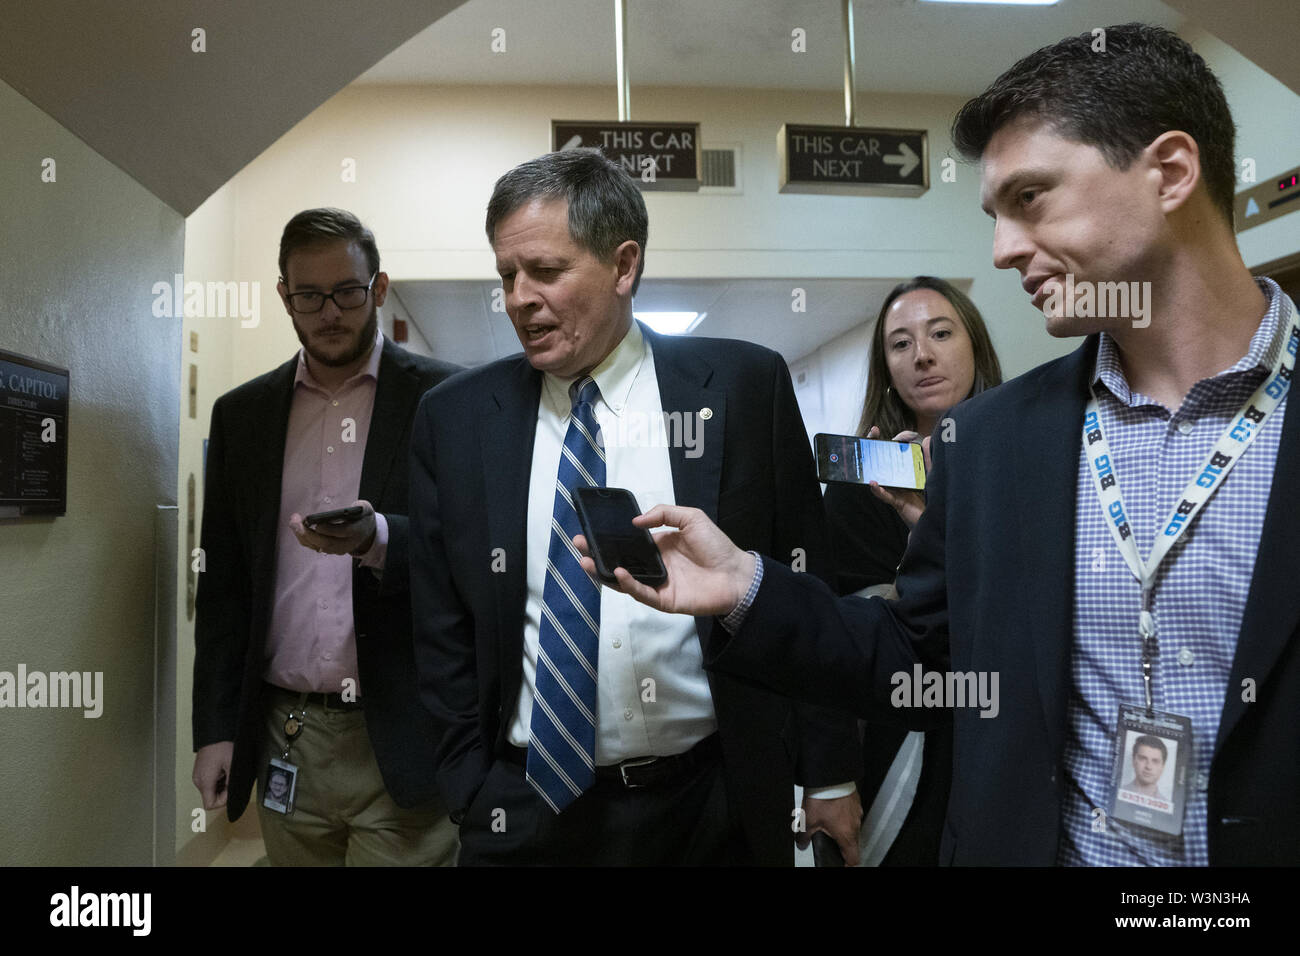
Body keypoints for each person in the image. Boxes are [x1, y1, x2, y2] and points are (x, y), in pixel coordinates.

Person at [579, 24, 1300, 866]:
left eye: (1031, 199)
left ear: (1171, 172)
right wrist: (746, 586)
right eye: (995, 215)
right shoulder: (993, 441)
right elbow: (916, 660)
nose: (1001, 251)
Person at [409, 148, 861, 866]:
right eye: (506, 275)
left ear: (623, 267)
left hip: (711, 802)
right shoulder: (456, 419)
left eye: (546, 272)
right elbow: (440, 625)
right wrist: (470, 789)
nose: (519, 298)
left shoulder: (743, 388)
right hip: (526, 809)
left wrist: (830, 772)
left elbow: (806, 594)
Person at [192, 208, 461, 865]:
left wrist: (381, 540)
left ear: (378, 287)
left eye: (346, 291)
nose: (329, 312)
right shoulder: (242, 416)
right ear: (284, 295)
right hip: (287, 732)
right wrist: (216, 731)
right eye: (308, 296)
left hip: (403, 733)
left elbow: (475, 556)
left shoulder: (447, 400)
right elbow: (224, 589)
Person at [823, 277, 1002, 865]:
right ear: (887, 368)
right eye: (900, 344)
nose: (922, 354)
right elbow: (837, 646)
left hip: (1002, 736)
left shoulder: (1023, 465)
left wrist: (933, 527)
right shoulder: (856, 497)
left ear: (975, 345)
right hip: (895, 748)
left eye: (941, 333)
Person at [1121, 736, 1170, 803]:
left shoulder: (1166, 803)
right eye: (1143, 758)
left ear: (1163, 767)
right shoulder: (1119, 792)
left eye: (1155, 761)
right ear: (1133, 760)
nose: (1148, 767)